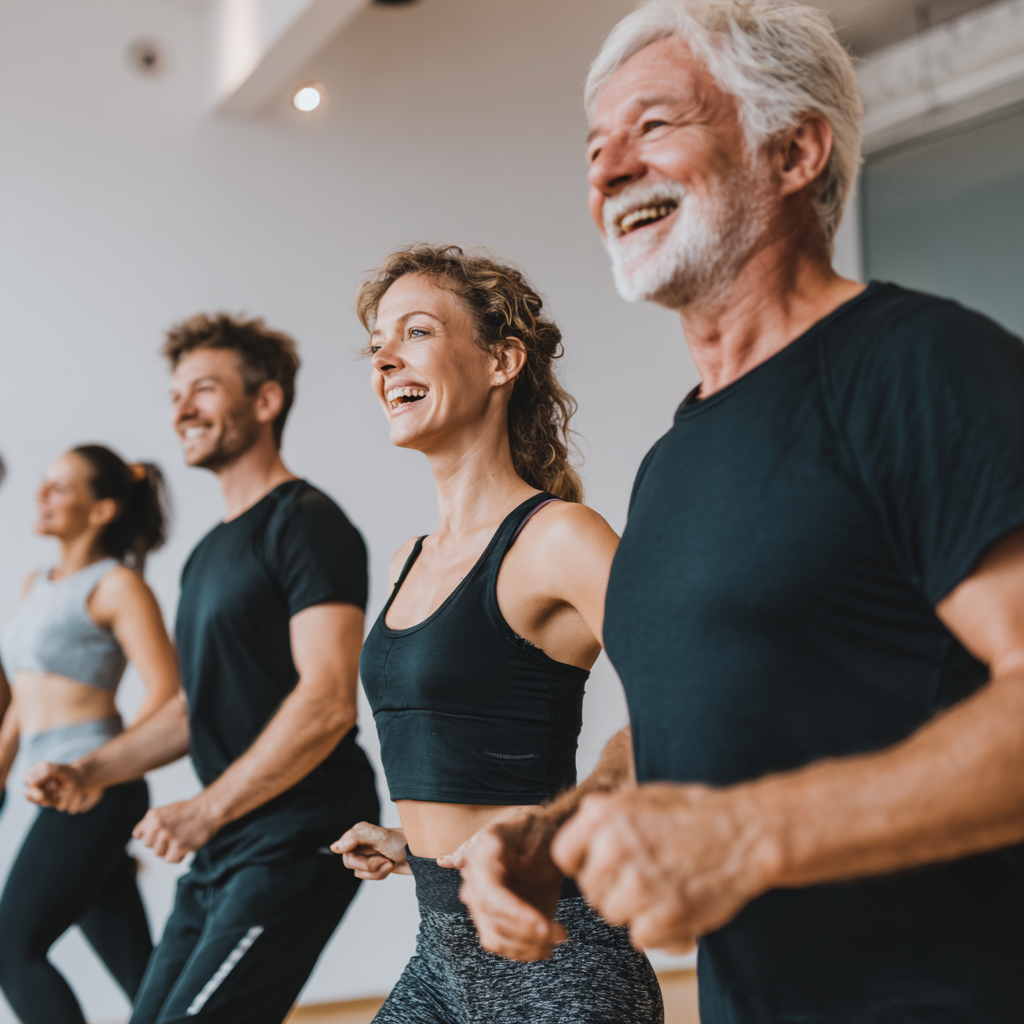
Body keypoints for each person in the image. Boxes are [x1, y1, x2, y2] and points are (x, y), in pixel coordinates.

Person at [456, 1, 1024, 1021]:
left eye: (654, 126)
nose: (608, 170)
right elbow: (695, 720)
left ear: (794, 149)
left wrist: (745, 836)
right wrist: (565, 831)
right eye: (596, 147)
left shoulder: (922, 368)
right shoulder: (674, 460)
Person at [331, 245, 663, 1024]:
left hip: (558, 957)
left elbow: (692, 694)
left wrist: (563, 828)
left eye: (414, 331)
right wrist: (414, 845)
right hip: (441, 953)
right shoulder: (408, 561)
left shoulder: (559, 538)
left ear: (502, 360)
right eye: (377, 341)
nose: (384, 356)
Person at [27, 314, 379, 1024]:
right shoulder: (205, 554)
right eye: (176, 393)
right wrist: (92, 773)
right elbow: (195, 708)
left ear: (266, 401)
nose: (182, 408)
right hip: (227, 843)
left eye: (205, 389)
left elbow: (328, 699)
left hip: (299, 835)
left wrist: (204, 809)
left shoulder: (307, 522)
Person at [0, 445, 178, 1024]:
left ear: (101, 509)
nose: (41, 496)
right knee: (141, 973)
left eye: (59, 488)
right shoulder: (36, 583)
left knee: (11, 950)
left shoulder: (116, 586)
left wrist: (100, 769)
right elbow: (23, 699)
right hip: (55, 784)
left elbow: (165, 692)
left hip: (95, 788)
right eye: (43, 484)